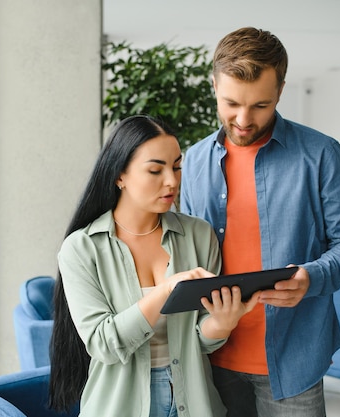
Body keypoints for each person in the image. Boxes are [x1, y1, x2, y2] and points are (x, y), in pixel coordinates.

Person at [180, 27, 340, 417]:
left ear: (281, 91)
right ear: (213, 84)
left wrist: (311, 277)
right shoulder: (193, 161)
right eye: (231, 103)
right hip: (211, 357)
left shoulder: (321, 154)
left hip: (293, 359)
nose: (244, 119)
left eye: (260, 105)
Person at [47, 115, 261, 417]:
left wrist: (223, 322)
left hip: (195, 402)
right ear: (119, 175)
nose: (172, 181)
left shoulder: (199, 235)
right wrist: (167, 291)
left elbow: (198, 340)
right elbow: (103, 344)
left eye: (176, 166)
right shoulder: (81, 249)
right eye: (155, 170)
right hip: (119, 406)